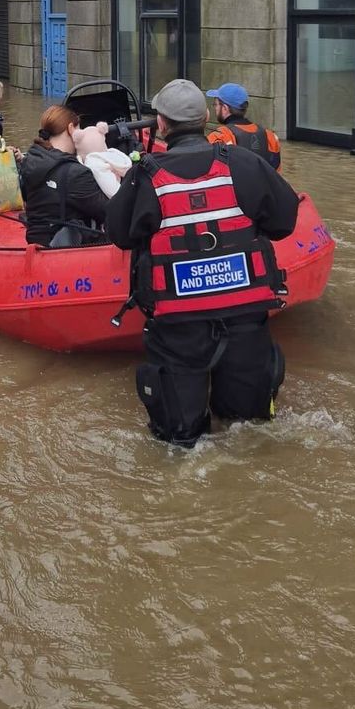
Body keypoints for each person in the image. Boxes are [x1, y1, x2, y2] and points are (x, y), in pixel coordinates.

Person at [107, 79, 302, 447]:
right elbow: (284, 222)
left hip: (179, 326)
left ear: (161, 124)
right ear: (205, 119)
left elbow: (119, 233)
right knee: (250, 429)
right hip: (246, 317)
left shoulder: (145, 175)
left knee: (181, 440)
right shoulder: (246, 164)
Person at [19, 104, 110, 248]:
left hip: (38, 241)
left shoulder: (30, 159)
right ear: (71, 129)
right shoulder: (76, 173)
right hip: (67, 250)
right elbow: (108, 211)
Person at [206, 82, 282, 170]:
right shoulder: (271, 136)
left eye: (216, 104)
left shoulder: (219, 137)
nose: (215, 108)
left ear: (225, 108)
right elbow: (276, 174)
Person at [72, 121, 134, 200]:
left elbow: (113, 191)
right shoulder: (112, 154)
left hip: (116, 198)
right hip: (126, 185)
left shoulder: (93, 163)